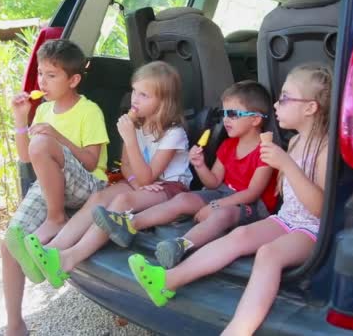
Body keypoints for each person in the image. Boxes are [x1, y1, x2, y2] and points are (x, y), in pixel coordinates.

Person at [127, 64, 332, 336]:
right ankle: (167, 280)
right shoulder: (293, 143)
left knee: (268, 254)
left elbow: (320, 208)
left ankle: (238, 330)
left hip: (313, 228)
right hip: (287, 220)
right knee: (239, 236)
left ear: (310, 108)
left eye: (285, 98)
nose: (276, 104)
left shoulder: (325, 148)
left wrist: (287, 166)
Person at [13, 61, 193, 293]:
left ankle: (70, 258)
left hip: (170, 189)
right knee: (99, 197)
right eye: (135, 92)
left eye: (144, 95)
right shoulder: (136, 125)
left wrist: (129, 142)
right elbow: (127, 167)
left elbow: (150, 178)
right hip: (139, 182)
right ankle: (53, 251)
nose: (135, 100)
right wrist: (135, 182)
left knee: (121, 203)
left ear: (164, 102)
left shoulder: (174, 134)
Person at [93, 80, 278, 269]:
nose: (225, 120)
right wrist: (200, 166)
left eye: (232, 114)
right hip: (222, 193)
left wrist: (214, 205)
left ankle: (180, 245)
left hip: (251, 206)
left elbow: (252, 193)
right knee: (183, 199)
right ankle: (129, 224)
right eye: (223, 113)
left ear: (255, 119)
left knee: (222, 214)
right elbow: (213, 182)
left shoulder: (266, 152)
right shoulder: (228, 145)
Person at [0, 39, 109, 336]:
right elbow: (27, 157)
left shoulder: (90, 111)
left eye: (52, 75)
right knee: (10, 241)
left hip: (88, 185)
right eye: (40, 74)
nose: (42, 82)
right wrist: (20, 119)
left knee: (44, 143)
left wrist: (56, 137)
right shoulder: (45, 111)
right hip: (53, 184)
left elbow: (90, 162)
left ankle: (56, 218)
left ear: (73, 80)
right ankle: (15, 324)